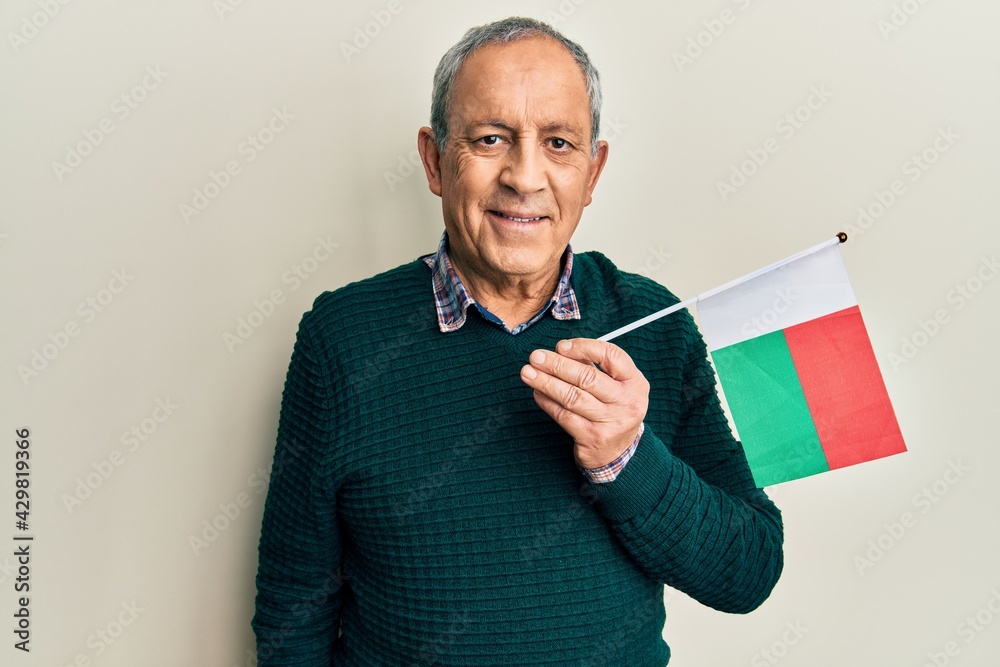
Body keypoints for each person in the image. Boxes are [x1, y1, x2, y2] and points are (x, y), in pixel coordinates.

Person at [251, 16, 783, 665]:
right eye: (491, 138)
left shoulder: (655, 323)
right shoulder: (342, 338)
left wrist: (627, 458)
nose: (525, 176)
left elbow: (748, 572)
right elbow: (293, 603)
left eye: (559, 143)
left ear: (593, 172)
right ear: (435, 159)